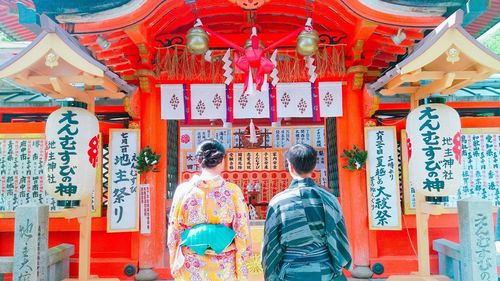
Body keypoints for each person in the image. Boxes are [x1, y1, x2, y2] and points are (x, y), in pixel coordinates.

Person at [261, 143, 352, 281]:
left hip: (291, 273)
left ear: (290, 166)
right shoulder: (329, 199)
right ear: (313, 166)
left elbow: (271, 244)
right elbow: (339, 236)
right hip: (324, 271)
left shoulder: (278, 202)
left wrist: (271, 273)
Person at [167, 139, 252, 280]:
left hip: (192, 264)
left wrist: (175, 264)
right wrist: (241, 271)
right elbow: (242, 232)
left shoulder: (183, 191)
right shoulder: (232, 191)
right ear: (222, 160)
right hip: (223, 265)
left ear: (198, 161)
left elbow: (174, 231)